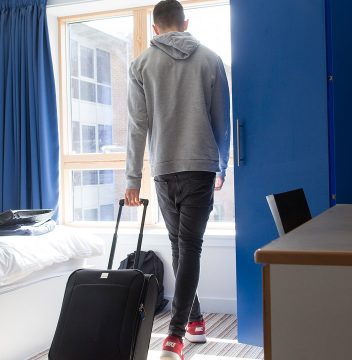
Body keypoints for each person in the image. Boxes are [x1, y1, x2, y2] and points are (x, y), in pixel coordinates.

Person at [124, 1, 230, 359]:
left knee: (180, 245)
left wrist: (132, 178)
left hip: (164, 168)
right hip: (200, 165)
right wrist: (222, 165)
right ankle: (184, 329)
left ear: (155, 29)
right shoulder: (211, 59)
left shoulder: (140, 64)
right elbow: (221, 121)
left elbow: (137, 126)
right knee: (189, 246)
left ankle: (184, 327)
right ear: (185, 23)